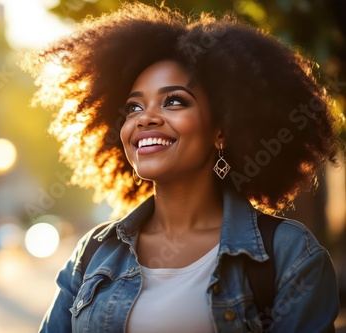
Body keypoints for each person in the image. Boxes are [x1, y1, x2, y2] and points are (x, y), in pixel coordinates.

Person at [22, 3, 344, 332]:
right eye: (133, 107)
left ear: (221, 130)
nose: (145, 118)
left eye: (174, 100)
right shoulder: (92, 254)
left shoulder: (289, 254)